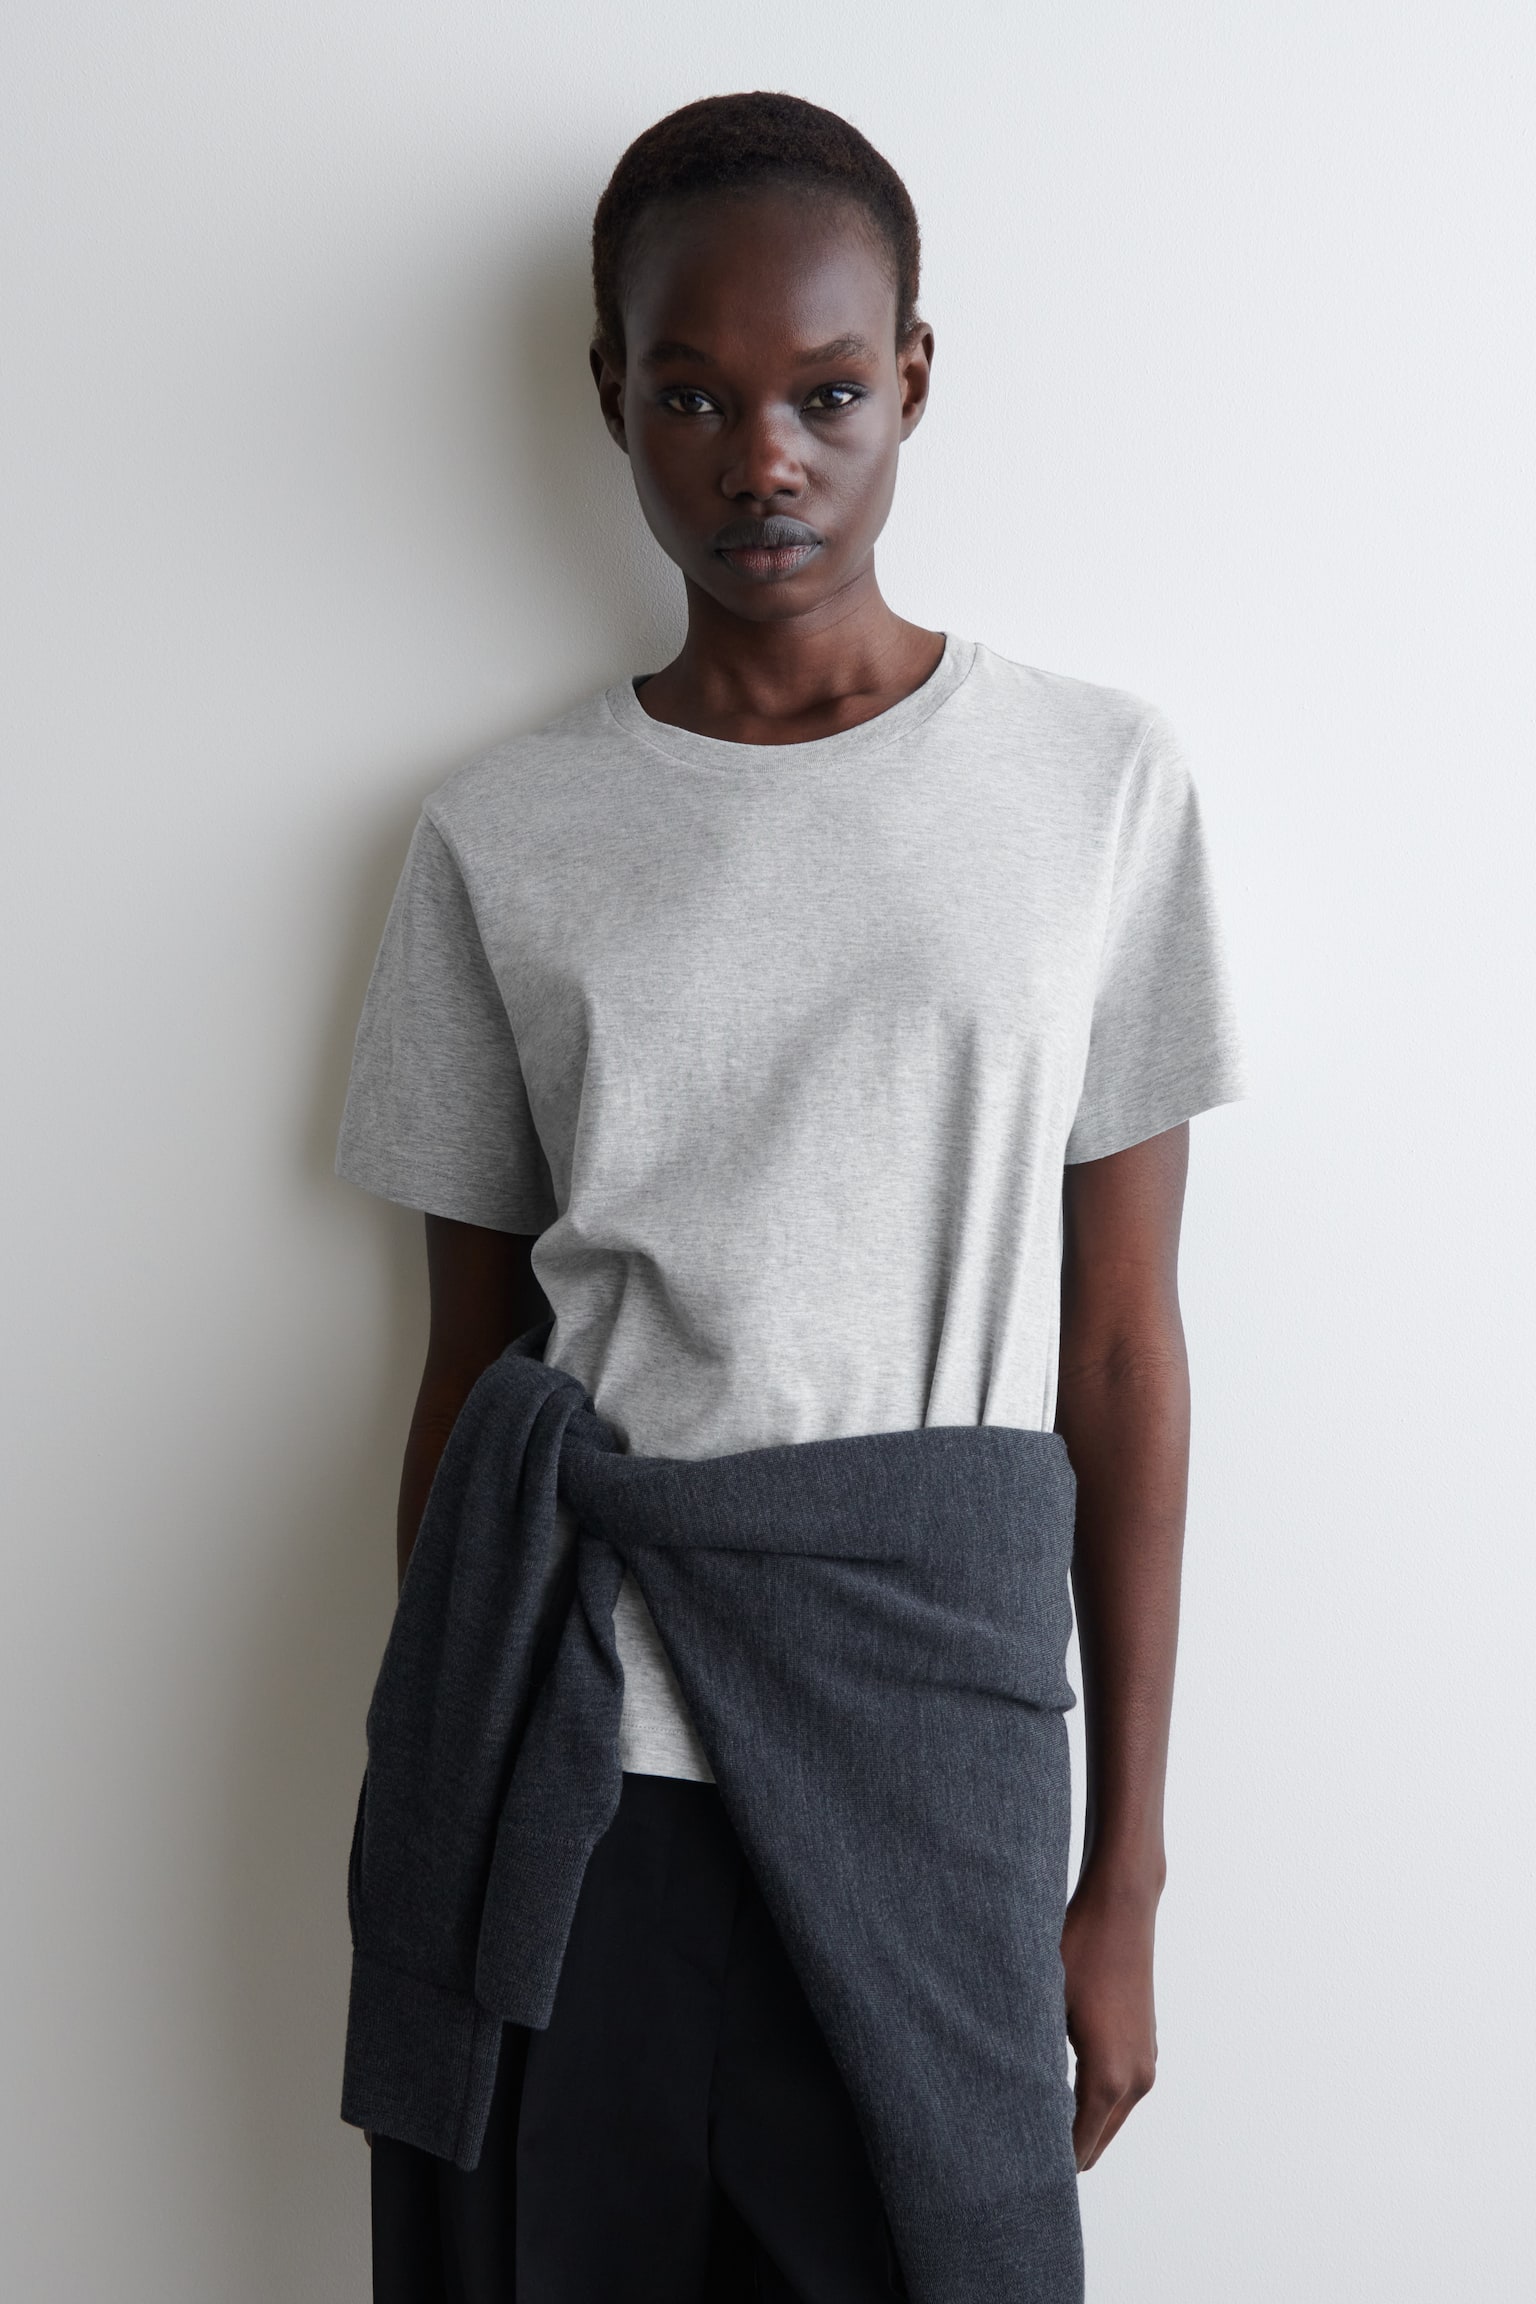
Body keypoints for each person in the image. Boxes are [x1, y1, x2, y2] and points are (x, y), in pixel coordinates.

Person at [336, 90, 1243, 2304]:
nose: (765, 459)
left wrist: (1124, 1877)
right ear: (610, 396)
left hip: (934, 1748)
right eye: (694, 397)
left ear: (912, 379)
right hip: (577, 1763)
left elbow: (1122, 1351)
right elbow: (468, 1369)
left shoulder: (1094, 786)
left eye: (828, 394)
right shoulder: (498, 834)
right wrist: (448, 1771)